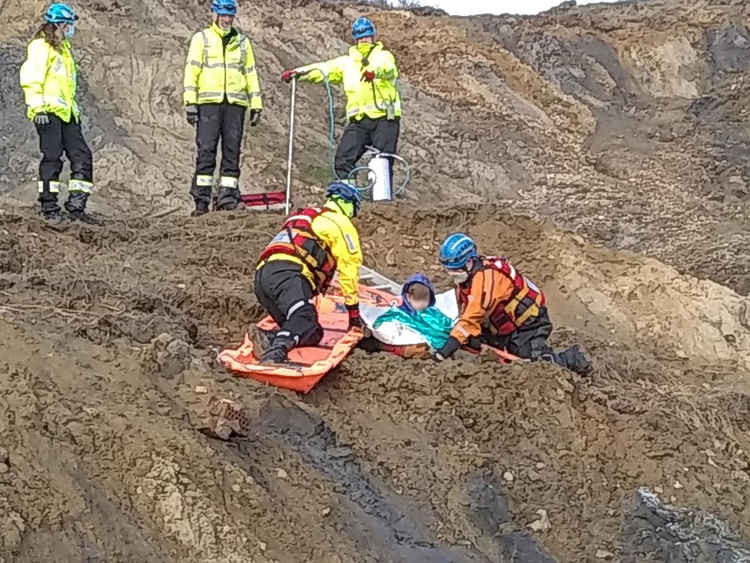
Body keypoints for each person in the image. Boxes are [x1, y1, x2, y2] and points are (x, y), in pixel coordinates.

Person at [433, 233, 592, 375]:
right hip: (504, 324)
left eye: (453, 269)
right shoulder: (470, 277)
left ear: (468, 262)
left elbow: (471, 317)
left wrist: (446, 349)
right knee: (474, 341)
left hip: (529, 323)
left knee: (530, 363)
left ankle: (573, 359)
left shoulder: (486, 280)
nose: (450, 274)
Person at [280, 16, 401, 183]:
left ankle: (383, 205)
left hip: (384, 119)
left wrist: (373, 71)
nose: (363, 41)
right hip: (359, 121)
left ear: (372, 37)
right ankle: (347, 200)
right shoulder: (347, 63)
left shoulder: (383, 56)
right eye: (360, 38)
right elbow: (323, 69)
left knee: (381, 162)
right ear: (355, 39)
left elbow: (388, 68)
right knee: (343, 160)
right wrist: (298, 73)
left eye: (366, 37)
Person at [253, 183, 364, 364]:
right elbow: (349, 267)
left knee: (311, 331)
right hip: (289, 274)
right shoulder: (339, 222)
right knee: (304, 317)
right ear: (348, 203)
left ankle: (269, 337)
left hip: (262, 278)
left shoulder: (307, 216)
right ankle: (274, 355)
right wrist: (353, 314)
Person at [183, 0, 263, 216]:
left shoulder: (243, 43)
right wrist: (190, 102)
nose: (226, 19)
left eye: (230, 15)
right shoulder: (202, 39)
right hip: (208, 104)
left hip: (235, 105)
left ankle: (228, 198)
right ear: (215, 15)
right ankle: (201, 202)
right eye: (223, 15)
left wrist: (256, 104)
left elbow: (250, 73)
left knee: (232, 152)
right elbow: (192, 70)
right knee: (206, 151)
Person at [19, 3, 95, 224]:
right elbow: (31, 78)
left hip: (67, 113)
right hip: (48, 112)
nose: (72, 28)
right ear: (61, 23)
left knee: (82, 156)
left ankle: (76, 208)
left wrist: (74, 112)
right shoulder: (41, 47)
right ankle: (49, 207)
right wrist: (37, 107)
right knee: (52, 158)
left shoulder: (64, 50)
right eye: (70, 24)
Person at [360, 274, 454, 358]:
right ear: (408, 296)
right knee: (415, 349)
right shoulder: (393, 315)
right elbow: (382, 327)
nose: (422, 304)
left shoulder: (433, 311)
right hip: (394, 340)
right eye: (419, 299)